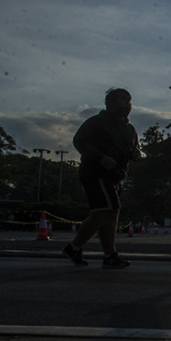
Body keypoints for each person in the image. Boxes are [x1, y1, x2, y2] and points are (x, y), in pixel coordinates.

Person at [63, 88, 141, 269]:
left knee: (99, 215)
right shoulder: (96, 123)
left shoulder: (129, 129)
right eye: (122, 100)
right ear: (110, 104)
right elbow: (79, 141)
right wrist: (100, 157)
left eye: (129, 100)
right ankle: (110, 255)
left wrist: (136, 154)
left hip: (116, 176)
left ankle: (74, 248)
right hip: (95, 173)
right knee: (111, 210)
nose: (127, 104)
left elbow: (134, 149)